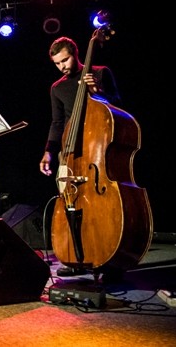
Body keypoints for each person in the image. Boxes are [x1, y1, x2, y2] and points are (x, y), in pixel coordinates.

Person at [39, 36, 121, 277]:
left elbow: (118, 106)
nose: (62, 66)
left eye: (65, 60)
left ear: (76, 53)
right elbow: (57, 122)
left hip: (97, 150)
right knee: (70, 204)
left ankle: (108, 255)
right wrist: (49, 152)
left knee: (101, 207)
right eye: (57, 63)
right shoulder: (57, 87)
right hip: (71, 152)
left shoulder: (101, 72)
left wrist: (97, 91)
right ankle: (75, 257)